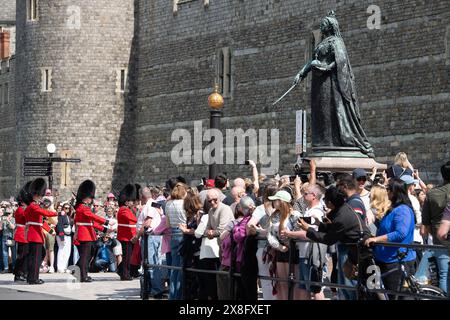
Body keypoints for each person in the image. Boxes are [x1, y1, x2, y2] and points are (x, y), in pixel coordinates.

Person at [292, 11, 374, 157]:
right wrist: (301, 73)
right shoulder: (322, 43)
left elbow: (340, 61)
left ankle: (338, 142)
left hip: (331, 85)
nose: (321, 25)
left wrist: (324, 67)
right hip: (319, 85)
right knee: (322, 113)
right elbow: (311, 61)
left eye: (324, 23)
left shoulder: (336, 42)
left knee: (331, 111)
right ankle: (324, 143)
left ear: (330, 26)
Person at [298, 186, 373, 300]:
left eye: (325, 200)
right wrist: (320, 225)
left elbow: (329, 239)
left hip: (362, 254)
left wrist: (308, 229)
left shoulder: (341, 217)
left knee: (355, 287)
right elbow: (335, 230)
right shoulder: (343, 208)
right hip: (356, 252)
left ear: (330, 202)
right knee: (352, 286)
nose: (324, 202)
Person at [365, 178, 416, 298]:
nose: (386, 191)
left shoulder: (402, 210)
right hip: (386, 259)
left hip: (396, 260)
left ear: (394, 192)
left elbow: (400, 233)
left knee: (395, 295)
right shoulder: (393, 209)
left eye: (388, 189)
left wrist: (377, 239)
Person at [283, 184, 326, 300]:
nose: (303, 196)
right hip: (305, 253)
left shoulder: (316, 212)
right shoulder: (309, 210)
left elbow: (309, 235)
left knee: (315, 288)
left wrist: (289, 234)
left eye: (306, 194)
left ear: (313, 196)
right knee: (304, 287)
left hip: (312, 256)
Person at [196, 188, 234, 300]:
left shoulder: (225, 209)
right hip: (220, 247)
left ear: (219, 199)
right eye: (209, 201)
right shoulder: (211, 211)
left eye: (215, 200)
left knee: (225, 276)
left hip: (228, 247)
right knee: (221, 277)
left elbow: (222, 229)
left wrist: (212, 232)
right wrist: (211, 231)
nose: (212, 202)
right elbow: (207, 228)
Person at [267, 190, 302, 300]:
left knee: (294, 282)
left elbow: (299, 232)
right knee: (281, 282)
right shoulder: (275, 215)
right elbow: (270, 234)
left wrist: (290, 239)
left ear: (282, 201)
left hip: (293, 251)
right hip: (280, 250)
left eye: (276, 200)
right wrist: (279, 246)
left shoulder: (294, 215)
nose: (274, 202)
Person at [422, 161, 450, 294]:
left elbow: (425, 222)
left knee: (444, 275)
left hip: (440, 239)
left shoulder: (432, 193)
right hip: (442, 236)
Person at [74, 180, 111, 283]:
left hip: (88, 234)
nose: (91, 200)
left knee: (88, 256)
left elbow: (91, 223)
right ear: (86, 198)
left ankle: (80, 272)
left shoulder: (84, 207)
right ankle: (82, 275)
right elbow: (92, 217)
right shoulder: (82, 208)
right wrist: (106, 221)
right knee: (85, 257)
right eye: (90, 197)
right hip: (84, 235)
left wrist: (104, 229)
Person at [246, 183, 278, 300]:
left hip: (264, 248)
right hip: (280, 248)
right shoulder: (284, 207)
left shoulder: (260, 209)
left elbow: (250, 226)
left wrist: (260, 231)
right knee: (281, 280)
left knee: (266, 281)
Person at [24, 178, 58, 284]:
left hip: (37, 234)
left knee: (38, 256)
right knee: (35, 258)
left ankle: (32, 277)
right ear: (36, 194)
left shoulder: (34, 206)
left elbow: (41, 222)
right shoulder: (33, 206)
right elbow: (45, 214)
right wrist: (56, 213)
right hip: (35, 235)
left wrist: (51, 231)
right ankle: (33, 278)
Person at [135, 187, 164, 298]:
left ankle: (156, 289)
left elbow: (147, 223)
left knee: (150, 264)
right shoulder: (155, 203)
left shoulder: (150, 205)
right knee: (154, 263)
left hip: (150, 237)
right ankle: (154, 288)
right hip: (154, 237)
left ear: (142, 196)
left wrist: (137, 236)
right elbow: (161, 214)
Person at [178, 190, 203, 300]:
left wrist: (185, 230)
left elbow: (198, 231)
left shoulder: (199, 215)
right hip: (190, 250)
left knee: (195, 280)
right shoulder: (192, 216)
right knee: (189, 279)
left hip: (196, 250)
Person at [165, 183, 188, 299]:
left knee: (174, 266)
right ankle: (178, 296)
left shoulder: (168, 204)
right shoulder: (184, 204)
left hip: (173, 233)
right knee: (182, 267)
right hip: (183, 232)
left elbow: (167, 224)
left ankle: (172, 295)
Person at [116, 184, 138, 281]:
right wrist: (139, 212)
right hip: (126, 236)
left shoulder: (127, 209)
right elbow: (134, 219)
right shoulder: (123, 210)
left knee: (128, 256)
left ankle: (121, 270)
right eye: (131, 201)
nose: (132, 202)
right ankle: (125, 274)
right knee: (127, 257)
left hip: (129, 236)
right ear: (126, 201)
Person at [13, 181, 32, 282]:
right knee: (22, 256)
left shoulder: (25, 208)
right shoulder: (21, 209)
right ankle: (18, 273)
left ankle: (23, 272)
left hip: (25, 233)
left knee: (25, 255)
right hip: (22, 233)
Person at [55, 202, 72, 273]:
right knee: (61, 251)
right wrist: (62, 237)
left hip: (68, 236)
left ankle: (65, 266)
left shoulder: (69, 216)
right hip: (62, 235)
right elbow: (60, 226)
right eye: (65, 208)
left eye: (68, 208)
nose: (67, 209)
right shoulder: (61, 215)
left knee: (67, 252)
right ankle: (60, 267)